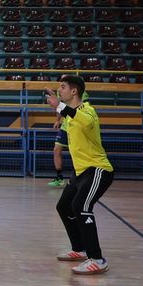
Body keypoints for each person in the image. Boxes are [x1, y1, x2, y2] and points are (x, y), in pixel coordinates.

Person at [47, 75, 115, 275]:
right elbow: (69, 122)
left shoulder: (88, 110)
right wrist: (59, 115)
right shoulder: (69, 117)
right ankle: (79, 249)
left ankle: (97, 259)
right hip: (80, 173)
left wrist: (59, 107)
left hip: (98, 169)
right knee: (64, 206)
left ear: (74, 91)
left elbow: (84, 122)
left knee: (81, 206)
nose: (60, 90)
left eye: (63, 87)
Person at [49, 98, 70, 188]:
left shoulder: (81, 93)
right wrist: (58, 120)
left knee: (76, 152)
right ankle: (59, 177)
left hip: (75, 128)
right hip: (65, 127)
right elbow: (60, 107)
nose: (61, 89)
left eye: (63, 87)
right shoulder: (61, 93)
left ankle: (80, 177)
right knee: (56, 150)